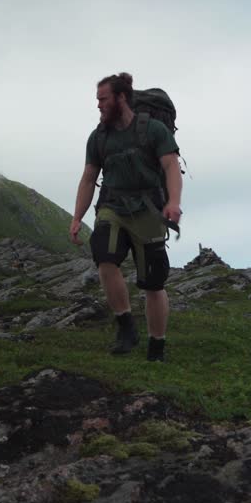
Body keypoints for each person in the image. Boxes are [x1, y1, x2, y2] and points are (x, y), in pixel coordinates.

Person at [69, 72, 182, 362]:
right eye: (97, 100)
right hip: (112, 206)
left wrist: (173, 202)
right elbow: (88, 178)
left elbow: (170, 166)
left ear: (121, 98)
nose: (98, 106)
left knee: (154, 283)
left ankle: (157, 347)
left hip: (148, 210)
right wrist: (76, 217)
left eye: (103, 99)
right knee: (104, 257)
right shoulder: (98, 138)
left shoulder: (154, 130)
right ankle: (126, 326)